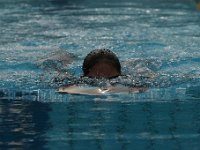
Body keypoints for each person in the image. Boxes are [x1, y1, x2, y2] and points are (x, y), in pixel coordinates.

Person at [58, 49, 148, 95]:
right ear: (83, 76)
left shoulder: (133, 79)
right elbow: (62, 90)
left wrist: (97, 91)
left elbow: (145, 87)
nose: (105, 83)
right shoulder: (70, 80)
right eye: (93, 79)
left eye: (114, 78)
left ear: (121, 74)